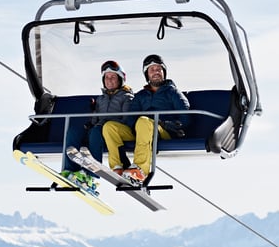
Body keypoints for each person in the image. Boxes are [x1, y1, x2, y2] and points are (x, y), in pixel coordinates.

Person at [101, 53, 189, 183]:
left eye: (159, 69)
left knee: (143, 121)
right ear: (147, 74)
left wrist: (168, 124)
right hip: (142, 130)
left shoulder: (173, 92)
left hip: (163, 131)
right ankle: (118, 167)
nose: (156, 72)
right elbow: (131, 116)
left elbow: (186, 117)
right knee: (109, 127)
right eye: (152, 70)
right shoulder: (141, 96)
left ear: (164, 72)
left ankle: (140, 170)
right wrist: (134, 128)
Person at [60, 60, 134, 189]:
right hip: (98, 129)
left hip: (113, 132)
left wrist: (102, 126)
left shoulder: (127, 97)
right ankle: (70, 170)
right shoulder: (101, 99)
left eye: (113, 77)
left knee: (96, 132)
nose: (109, 80)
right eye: (106, 77)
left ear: (120, 79)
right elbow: (95, 119)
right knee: (74, 131)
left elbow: (127, 119)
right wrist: (90, 123)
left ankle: (91, 176)